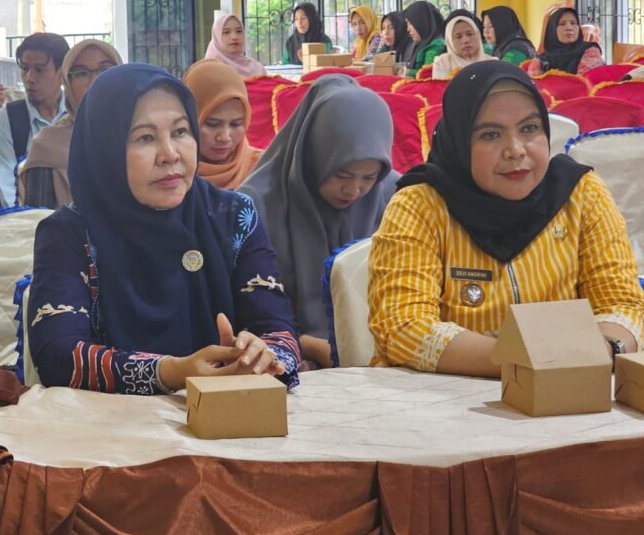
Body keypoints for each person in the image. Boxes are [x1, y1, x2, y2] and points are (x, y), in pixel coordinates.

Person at [28, 64, 300, 394]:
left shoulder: (234, 216)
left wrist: (260, 357)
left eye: (181, 132)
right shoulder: (68, 234)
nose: (170, 154)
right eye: (145, 137)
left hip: (227, 412)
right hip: (111, 421)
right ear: (105, 149)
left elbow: (280, 332)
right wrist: (171, 372)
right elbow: (57, 355)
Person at [368, 61, 643, 377]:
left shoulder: (580, 194)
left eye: (529, 128)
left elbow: (623, 305)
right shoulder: (420, 205)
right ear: (459, 141)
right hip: (444, 396)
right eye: (490, 134)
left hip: (565, 390)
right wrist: (527, 361)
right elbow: (403, 327)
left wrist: (606, 348)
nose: (515, 150)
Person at [240, 75, 398, 368]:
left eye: (369, 177)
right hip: (280, 360)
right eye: (342, 175)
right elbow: (248, 314)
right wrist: (303, 345)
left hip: (381, 359)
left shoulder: (392, 198)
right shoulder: (255, 206)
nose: (354, 191)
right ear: (313, 155)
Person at [20, 39, 122, 208]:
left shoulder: (141, 134)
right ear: (67, 83)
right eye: (81, 73)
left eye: (105, 70)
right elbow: (38, 218)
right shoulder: (47, 146)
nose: (95, 81)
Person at [0, 32, 70, 207]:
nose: (29, 78)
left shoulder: (77, 116)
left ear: (62, 72)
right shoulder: (5, 121)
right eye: (24, 68)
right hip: (27, 217)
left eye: (39, 69)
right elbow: (9, 194)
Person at [183, 58, 261, 189]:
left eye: (236, 124)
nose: (224, 137)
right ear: (187, 118)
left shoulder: (263, 169)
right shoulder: (168, 170)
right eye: (212, 124)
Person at [528, 7, 605, 76]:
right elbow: (532, 83)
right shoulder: (542, 60)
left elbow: (585, 81)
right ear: (552, 30)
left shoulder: (590, 51)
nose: (569, 28)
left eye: (573, 23)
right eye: (562, 24)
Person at [401, 1, 447, 75]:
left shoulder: (435, 46)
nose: (408, 29)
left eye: (410, 23)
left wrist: (406, 71)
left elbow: (426, 74)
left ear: (421, 22)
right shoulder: (423, 42)